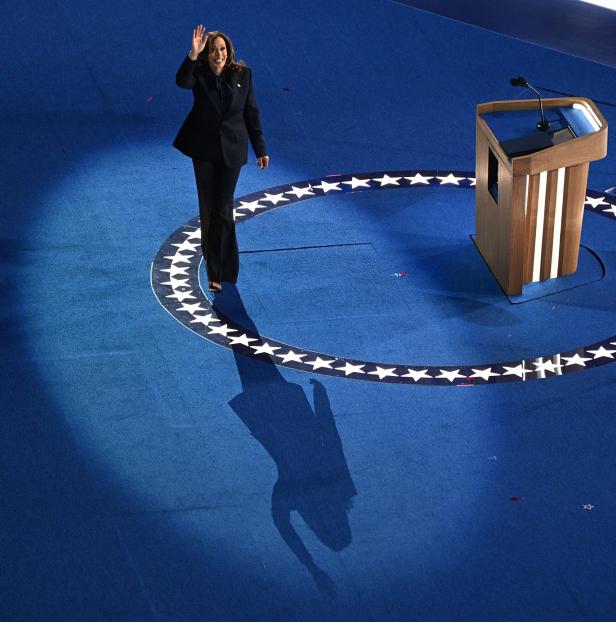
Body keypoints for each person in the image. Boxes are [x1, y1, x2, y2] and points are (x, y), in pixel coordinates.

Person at [173, 24, 269, 293]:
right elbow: (182, 81)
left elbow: (251, 113)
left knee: (223, 208)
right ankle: (215, 272)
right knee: (208, 208)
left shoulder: (243, 75)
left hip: (232, 151)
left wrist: (260, 148)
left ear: (229, 52)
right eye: (214, 50)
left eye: (222, 49)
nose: (219, 54)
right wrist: (193, 54)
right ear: (208, 53)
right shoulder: (199, 74)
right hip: (203, 150)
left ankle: (227, 269)